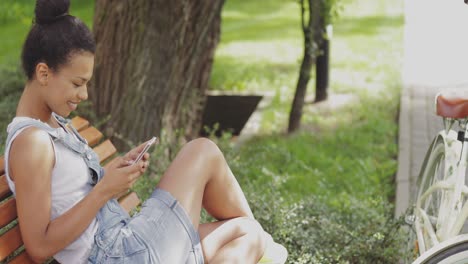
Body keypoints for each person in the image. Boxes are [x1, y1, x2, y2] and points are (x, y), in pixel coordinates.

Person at [3, 0, 288, 263]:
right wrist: (105, 190)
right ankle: (267, 250)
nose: (85, 94)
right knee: (203, 152)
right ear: (43, 73)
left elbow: (74, 198)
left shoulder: (52, 126)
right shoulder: (32, 144)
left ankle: (264, 246)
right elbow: (39, 247)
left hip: (128, 241)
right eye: (77, 83)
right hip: (120, 255)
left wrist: (115, 173)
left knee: (246, 232)